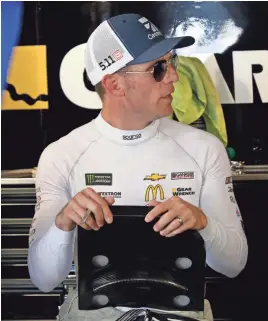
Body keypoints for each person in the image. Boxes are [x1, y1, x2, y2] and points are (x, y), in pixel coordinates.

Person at [27, 13, 248, 321]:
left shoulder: (204, 149)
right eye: (158, 69)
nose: (174, 77)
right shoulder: (61, 155)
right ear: (114, 84)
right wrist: (64, 223)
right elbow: (43, 279)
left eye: (173, 62)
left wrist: (202, 223)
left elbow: (234, 264)